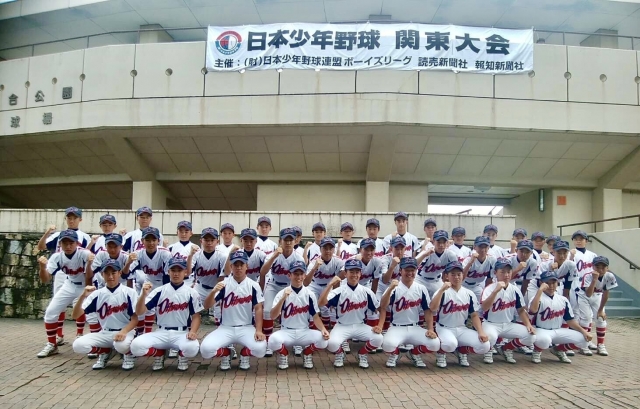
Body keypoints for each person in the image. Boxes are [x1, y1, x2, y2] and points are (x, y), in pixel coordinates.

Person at [131, 257, 202, 371]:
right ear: (168, 271)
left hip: (181, 333)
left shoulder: (191, 293)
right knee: (135, 346)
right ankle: (159, 353)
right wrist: (143, 295)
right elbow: (139, 312)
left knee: (192, 348)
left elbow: (196, 317)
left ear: (185, 272)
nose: (176, 274)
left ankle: (182, 356)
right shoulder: (159, 291)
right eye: (173, 270)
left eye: (179, 270)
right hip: (161, 332)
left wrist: (193, 331)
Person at [200, 251, 267, 371]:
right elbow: (206, 305)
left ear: (247, 266)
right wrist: (213, 292)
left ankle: (244, 354)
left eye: (241, 264)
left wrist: (258, 330)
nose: (239, 267)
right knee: (205, 350)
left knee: (261, 349)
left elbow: (258, 308)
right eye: (236, 265)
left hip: (246, 327)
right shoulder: (223, 284)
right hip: (226, 328)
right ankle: (226, 353)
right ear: (231, 266)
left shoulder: (253, 285)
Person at [71, 259, 139, 370]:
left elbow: (135, 319)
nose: (110, 276)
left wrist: (124, 331)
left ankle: (128, 354)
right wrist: (83, 296)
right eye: (107, 273)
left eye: (113, 273)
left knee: (121, 346)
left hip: (125, 331)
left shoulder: (129, 292)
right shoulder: (97, 294)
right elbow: (75, 315)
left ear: (119, 273)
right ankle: (105, 352)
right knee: (78, 345)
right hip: (105, 332)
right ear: (102, 274)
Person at [37, 207, 92, 344]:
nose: (71, 220)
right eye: (69, 217)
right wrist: (48, 232)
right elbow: (41, 247)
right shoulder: (57, 238)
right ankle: (57, 337)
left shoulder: (84, 239)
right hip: (63, 272)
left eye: (74, 217)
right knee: (55, 307)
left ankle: (81, 335)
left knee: (85, 308)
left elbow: (89, 262)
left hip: (81, 274)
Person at [376, 257, 440, 368]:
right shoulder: (394, 287)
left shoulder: (421, 288)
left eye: (412, 270)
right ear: (401, 271)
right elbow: (383, 306)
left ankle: (414, 353)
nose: (410, 273)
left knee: (435, 344)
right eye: (407, 270)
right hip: (396, 327)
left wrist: (430, 329)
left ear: (416, 271)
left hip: (415, 327)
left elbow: (427, 310)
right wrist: (390, 289)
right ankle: (395, 354)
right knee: (387, 345)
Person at [319, 260, 383, 369]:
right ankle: (340, 353)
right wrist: (330, 285)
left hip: (360, 325)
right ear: (345, 273)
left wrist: (380, 326)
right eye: (351, 272)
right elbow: (321, 303)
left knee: (379, 338)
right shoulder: (339, 291)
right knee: (330, 344)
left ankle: (362, 353)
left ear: (360, 273)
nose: (354, 275)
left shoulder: (367, 291)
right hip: (342, 326)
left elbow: (381, 309)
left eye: (357, 272)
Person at [268, 260, 330, 370]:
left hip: (304, 331)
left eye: (301, 274)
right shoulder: (282, 293)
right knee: (272, 341)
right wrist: (282, 299)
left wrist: (323, 329)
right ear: (289, 275)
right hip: (286, 331)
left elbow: (315, 316)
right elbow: (273, 316)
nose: (299, 277)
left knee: (323, 340)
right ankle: (284, 354)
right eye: (295, 274)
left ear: (305, 275)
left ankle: (307, 353)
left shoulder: (309, 294)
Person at [430, 262, 490, 368]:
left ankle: (462, 351)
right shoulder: (442, 292)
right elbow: (433, 308)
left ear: (463, 275)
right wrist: (441, 290)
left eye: (459, 274)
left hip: (462, 329)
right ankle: (441, 353)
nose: (456, 277)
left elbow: (474, 315)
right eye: (452, 274)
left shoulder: (469, 293)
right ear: (446, 276)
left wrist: (481, 332)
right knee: (450, 345)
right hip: (444, 328)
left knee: (484, 346)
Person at [528, 271, 592, 364]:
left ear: (557, 283)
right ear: (541, 283)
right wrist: (540, 291)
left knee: (584, 341)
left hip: (558, 330)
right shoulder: (536, 298)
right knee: (544, 340)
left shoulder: (563, 299)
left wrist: (584, 331)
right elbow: (533, 310)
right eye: (548, 283)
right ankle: (537, 351)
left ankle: (558, 350)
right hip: (540, 330)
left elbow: (570, 321)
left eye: (553, 282)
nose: (551, 286)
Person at [481, 258, 536, 364]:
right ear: (495, 273)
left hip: (508, 324)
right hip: (491, 324)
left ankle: (506, 349)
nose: (506, 275)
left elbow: (521, 310)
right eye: (502, 272)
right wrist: (495, 292)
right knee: (491, 337)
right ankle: (488, 350)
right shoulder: (489, 288)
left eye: (508, 272)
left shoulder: (515, 289)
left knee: (531, 336)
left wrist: (528, 325)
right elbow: (484, 308)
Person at [260, 228, 305, 356]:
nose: (288, 242)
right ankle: (268, 342)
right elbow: (263, 272)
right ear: (280, 241)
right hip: (273, 285)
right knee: (267, 311)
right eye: (286, 240)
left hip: (290, 286)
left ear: (295, 241)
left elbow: (302, 277)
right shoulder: (273, 255)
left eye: (291, 240)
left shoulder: (298, 257)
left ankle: (296, 342)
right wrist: (274, 256)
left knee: (295, 312)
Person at [123, 227, 172, 334]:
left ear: (158, 241)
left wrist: (167, 292)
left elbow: (168, 276)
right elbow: (125, 273)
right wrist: (128, 263)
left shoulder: (165, 253)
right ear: (142, 241)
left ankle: (152, 332)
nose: (151, 243)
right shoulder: (138, 253)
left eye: (154, 240)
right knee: (142, 308)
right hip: (147, 283)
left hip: (162, 283)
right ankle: (141, 333)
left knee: (163, 311)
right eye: (148, 240)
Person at [575, 256, 617, 356]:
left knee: (601, 319)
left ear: (607, 268)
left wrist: (601, 310)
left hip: (598, 295)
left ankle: (600, 345)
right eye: (598, 267)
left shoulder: (609, 276)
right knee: (586, 319)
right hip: (584, 296)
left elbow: (606, 294)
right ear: (593, 267)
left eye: (603, 267)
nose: (600, 270)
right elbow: (588, 294)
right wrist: (594, 280)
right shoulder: (588, 276)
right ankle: (584, 345)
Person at [304, 237, 344, 330]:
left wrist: (334, 295)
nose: (328, 251)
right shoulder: (314, 261)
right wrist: (314, 268)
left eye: (330, 248)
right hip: (314, 285)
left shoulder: (338, 261)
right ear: (320, 249)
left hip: (328, 286)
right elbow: (305, 283)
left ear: (334, 249)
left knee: (328, 309)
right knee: (311, 306)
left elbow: (342, 275)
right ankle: (312, 330)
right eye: (325, 248)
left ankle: (326, 330)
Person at [416, 230, 457, 297]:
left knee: (445, 297)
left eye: (444, 242)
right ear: (434, 241)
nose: (441, 245)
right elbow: (413, 264)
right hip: (420, 280)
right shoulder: (427, 251)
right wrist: (424, 255)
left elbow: (456, 271)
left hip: (436, 281)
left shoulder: (451, 255)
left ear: (447, 242)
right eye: (439, 242)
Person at [461, 236, 496, 304]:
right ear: (475, 247)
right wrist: (470, 262)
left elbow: (489, 279)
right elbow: (461, 277)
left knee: (482, 303)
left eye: (485, 247)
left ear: (488, 247)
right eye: (480, 247)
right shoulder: (468, 260)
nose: (483, 250)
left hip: (476, 286)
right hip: (463, 286)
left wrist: (486, 292)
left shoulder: (491, 260)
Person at [167, 221, 197, 286]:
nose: (183, 234)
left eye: (186, 231)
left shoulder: (196, 248)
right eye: (181, 231)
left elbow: (197, 267)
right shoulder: (171, 247)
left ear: (191, 233)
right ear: (177, 233)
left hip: (189, 281)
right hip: (174, 280)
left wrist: (195, 282)